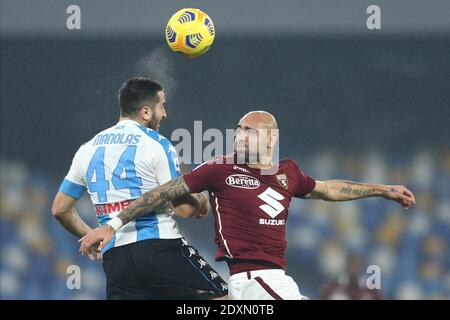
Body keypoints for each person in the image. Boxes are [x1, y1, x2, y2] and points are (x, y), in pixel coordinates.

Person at [79, 110, 416, 300]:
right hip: (252, 280)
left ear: (271, 139)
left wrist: (383, 190)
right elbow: (162, 193)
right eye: (238, 131)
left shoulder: (288, 172)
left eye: (250, 132)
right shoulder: (221, 168)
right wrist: (111, 225)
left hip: (273, 280)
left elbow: (329, 189)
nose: (240, 136)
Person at [52, 77, 228, 300]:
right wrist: (200, 200)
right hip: (159, 247)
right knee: (223, 299)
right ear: (146, 112)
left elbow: (60, 209)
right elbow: (184, 208)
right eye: (161, 106)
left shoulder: (87, 149)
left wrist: (91, 236)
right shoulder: (157, 144)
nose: (164, 114)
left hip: (116, 258)